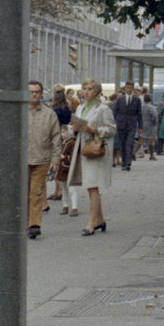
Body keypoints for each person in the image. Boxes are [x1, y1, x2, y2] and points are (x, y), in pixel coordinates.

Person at [68, 78, 116, 234]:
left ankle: (91, 223)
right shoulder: (81, 107)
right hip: (83, 150)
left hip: (95, 151)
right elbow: (75, 127)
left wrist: (94, 130)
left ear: (96, 92)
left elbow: (111, 129)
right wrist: (74, 127)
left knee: (92, 186)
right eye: (84, 88)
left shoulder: (102, 109)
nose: (86, 92)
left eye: (89, 89)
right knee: (90, 186)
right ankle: (100, 219)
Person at [27, 81, 62, 239]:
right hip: (22, 160)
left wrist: (55, 158)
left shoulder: (49, 114)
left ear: (42, 94)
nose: (34, 94)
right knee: (23, 193)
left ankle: (34, 224)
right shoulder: (19, 112)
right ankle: (25, 222)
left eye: (37, 92)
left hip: (42, 159)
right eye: (31, 92)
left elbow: (56, 137)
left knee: (36, 192)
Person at [110, 81, 142, 172]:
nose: (129, 89)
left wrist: (140, 126)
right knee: (123, 144)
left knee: (130, 143)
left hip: (132, 124)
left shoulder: (137, 100)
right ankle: (124, 162)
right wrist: (113, 122)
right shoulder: (120, 99)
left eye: (131, 88)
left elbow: (139, 114)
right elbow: (115, 111)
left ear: (133, 89)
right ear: (125, 88)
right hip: (121, 124)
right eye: (127, 88)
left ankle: (128, 162)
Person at [49, 86, 72, 202]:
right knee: (60, 164)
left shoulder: (54, 111)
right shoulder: (67, 109)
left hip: (55, 136)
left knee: (55, 165)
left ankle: (58, 191)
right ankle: (59, 190)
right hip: (65, 135)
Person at [140, 93, 159, 160]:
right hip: (151, 125)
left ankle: (133, 152)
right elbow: (155, 115)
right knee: (152, 140)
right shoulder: (151, 107)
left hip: (143, 124)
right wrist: (155, 122)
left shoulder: (142, 106)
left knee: (142, 139)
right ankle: (151, 155)